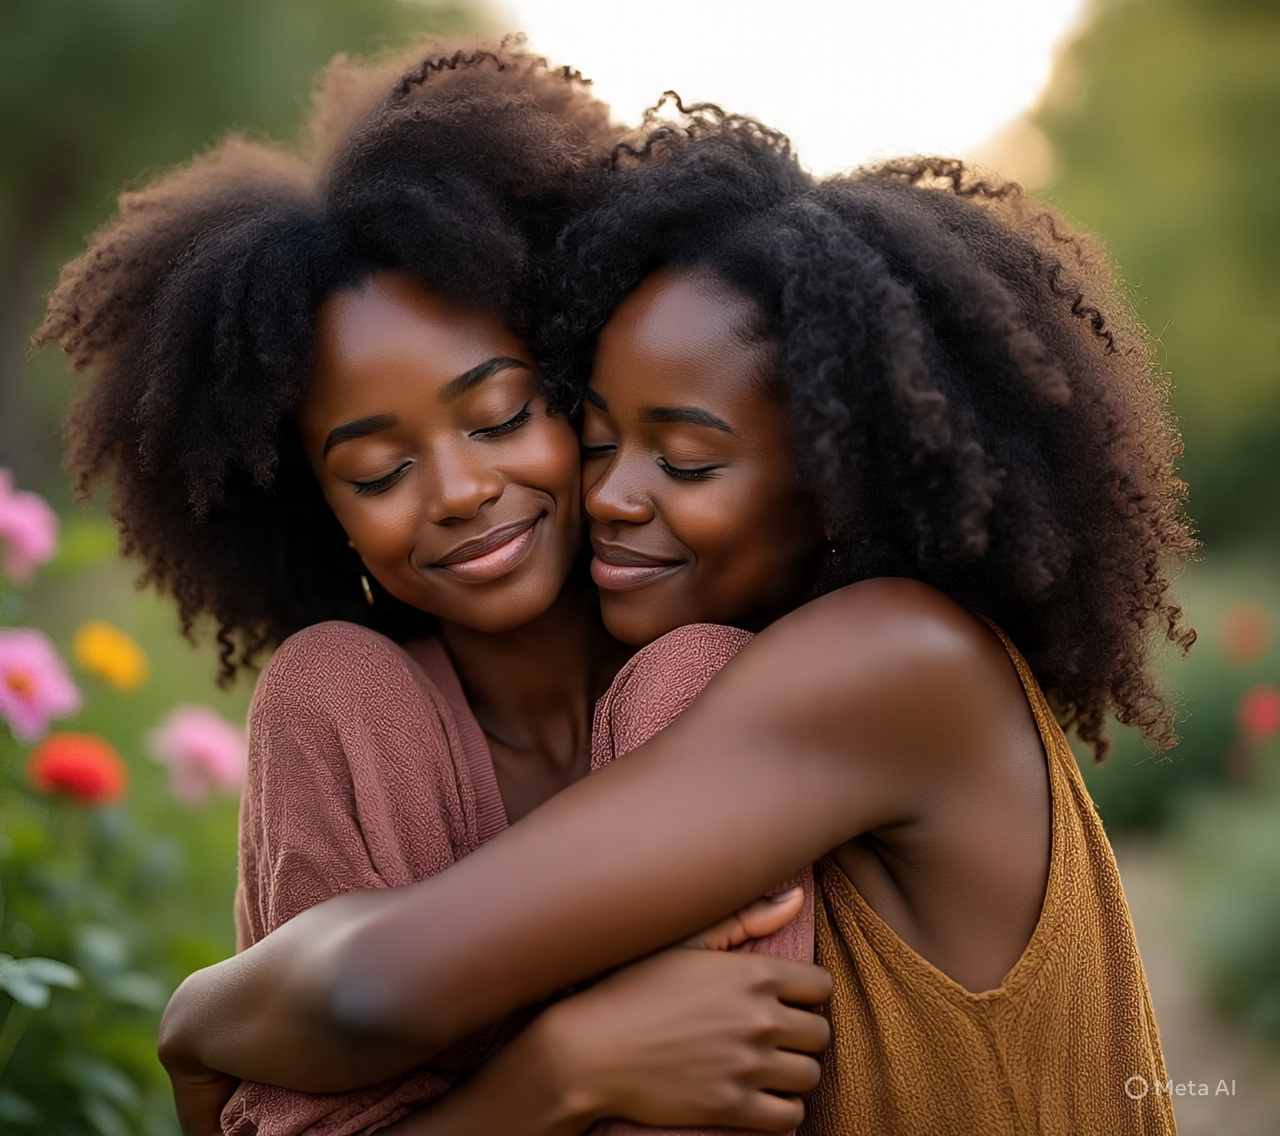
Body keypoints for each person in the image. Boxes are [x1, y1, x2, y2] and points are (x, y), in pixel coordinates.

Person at [155, 106, 1194, 1134]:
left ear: (835, 478)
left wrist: (204, 1012)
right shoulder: (374, 709)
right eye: (598, 437)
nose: (611, 494)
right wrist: (563, 1069)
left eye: (686, 459)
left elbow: (372, 989)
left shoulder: (889, 660)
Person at [38, 50, 828, 1136]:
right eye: (376, 470)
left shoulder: (720, 672)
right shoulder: (346, 712)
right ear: (314, 505)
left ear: (579, 384)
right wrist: (564, 1070)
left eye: (501, 415)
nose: (458, 490)